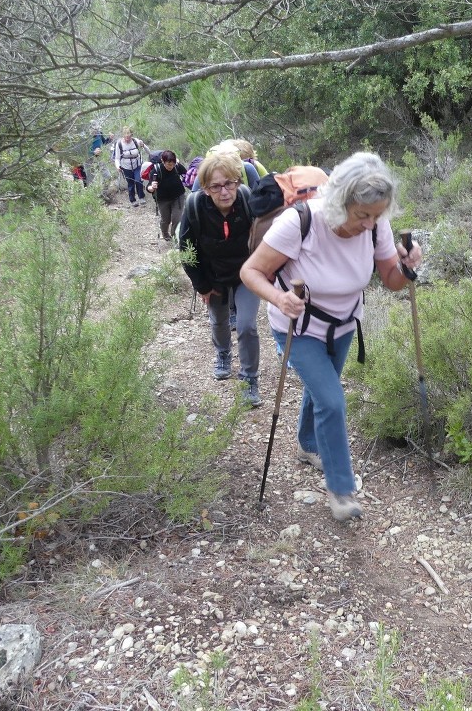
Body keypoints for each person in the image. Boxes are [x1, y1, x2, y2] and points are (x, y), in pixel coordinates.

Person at [240, 152, 423, 522]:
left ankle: (307, 444)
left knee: (323, 389)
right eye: (362, 215)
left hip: (343, 325)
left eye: (377, 215)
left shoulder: (376, 225)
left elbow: (391, 280)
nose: (370, 223)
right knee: (332, 400)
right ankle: (341, 489)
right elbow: (251, 271)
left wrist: (407, 268)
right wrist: (280, 298)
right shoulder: (300, 221)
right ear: (341, 203)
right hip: (299, 327)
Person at [178, 151, 262, 406]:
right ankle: (223, 353)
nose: (224, 191)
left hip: (246, 274)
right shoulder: (194, 207)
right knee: (219, 322)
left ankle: (249, 379)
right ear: (205, 188)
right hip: (213, 277)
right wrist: (201, 285)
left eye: (229, 183)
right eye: (216, 186)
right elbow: (187, 251)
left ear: (237, 182)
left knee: (247, 326)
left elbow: (264, 236)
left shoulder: (246, 200)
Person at [148, 150, 187, 242]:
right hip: (163, 199)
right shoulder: (156, 170)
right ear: (163, 161)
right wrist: (152, 187)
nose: (171, 167)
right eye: (168, 164)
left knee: (177, 219)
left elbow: (187, 174)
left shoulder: (177, 166)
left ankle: (175, 237)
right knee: (166, 220)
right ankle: (165, 233)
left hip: (178, 197)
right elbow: (148, 187)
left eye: (172, 164)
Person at [113, 126, 150, 207]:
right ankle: (132, 200)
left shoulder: (136, 141)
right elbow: (117, 158)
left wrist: (143, 145)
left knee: (138, 180)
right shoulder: (119, 144)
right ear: (123, 135)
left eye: (129, 136)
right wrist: (118, 166)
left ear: (131, 134)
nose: (127, 138)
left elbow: (148, 150)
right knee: (130, 184)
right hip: (126, 167)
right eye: (126, 136)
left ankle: (141, 197)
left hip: (137, 165)